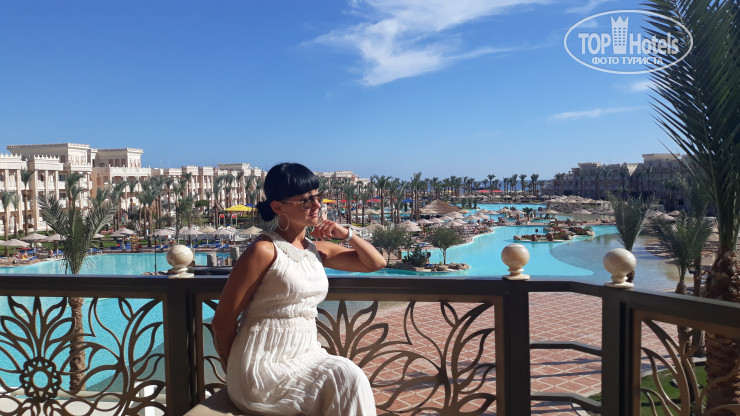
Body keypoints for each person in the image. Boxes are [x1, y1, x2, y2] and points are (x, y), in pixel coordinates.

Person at [212, 162, 386, 416]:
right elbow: (222, 321)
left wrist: (346, 234)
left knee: (348, 377)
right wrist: (233, 370)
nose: (317, 205)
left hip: (306, 356)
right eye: (306, 201)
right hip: (262, 367)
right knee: (346, 376)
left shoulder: (317, 249)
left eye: (318, 196)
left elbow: (375, 263)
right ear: (277, 207)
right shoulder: (263, 251)